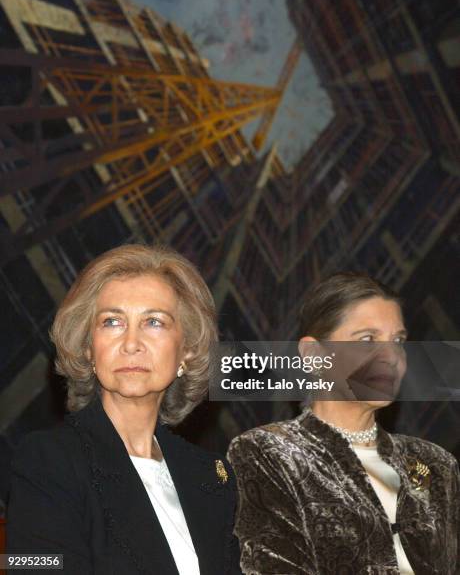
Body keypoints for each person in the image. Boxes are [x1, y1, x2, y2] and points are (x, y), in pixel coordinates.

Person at [7, 244, 241, 575]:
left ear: (186, 352)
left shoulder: (211, 475)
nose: (131, 343)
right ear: (90, 349)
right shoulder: (48, 460)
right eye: (113, 321)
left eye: (154, 322)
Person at [227, 272, 459, 574]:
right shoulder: (267, 454)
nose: (391, 355)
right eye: (367, 339)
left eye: (398, 340)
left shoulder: (436, 464)